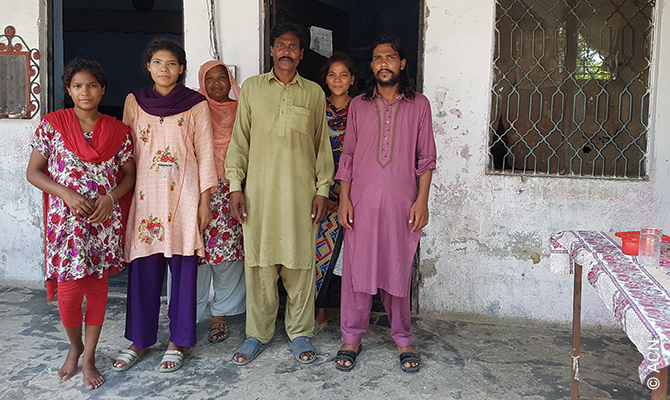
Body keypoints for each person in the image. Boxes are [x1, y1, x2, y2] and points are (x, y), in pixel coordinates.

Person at [225, 21, 334, 365]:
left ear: (301, 54)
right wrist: (234, 187)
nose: (286, 51)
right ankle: (257, 334)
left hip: (301, 197)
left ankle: (300, 332)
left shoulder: (314, 93)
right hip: (258, 195)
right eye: (280, 45)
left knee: (301, 265)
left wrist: (322, 190)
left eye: (293, 46)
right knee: (259, 265)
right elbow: (239, 142)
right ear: (271, 51)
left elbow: (322, 148)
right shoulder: (253, 89)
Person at [26, 58, 136, 390]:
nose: (84, 91)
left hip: (103, 220)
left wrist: (111, 199)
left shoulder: (119, 131)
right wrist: (66, 195)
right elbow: (34, 172)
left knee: (97, 291)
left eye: (91, 85)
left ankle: (89, 357)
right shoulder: (52, 125)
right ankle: (74, 346)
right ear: (67, 90)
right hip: (66, 222)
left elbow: (130, 175)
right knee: (70, 294)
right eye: (77, 86)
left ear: (103, 89)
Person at [112, 38, 218, 373]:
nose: (164, 69)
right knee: (144, 271)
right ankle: (140, 340)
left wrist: (204, 202)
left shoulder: (196, 104)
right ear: (148, 66)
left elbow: (206, 154)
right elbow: (125, 151)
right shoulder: (135, 101)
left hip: (183, 198)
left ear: (182, 68)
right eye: (157, 62)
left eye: (171, 63)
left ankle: (178, 340)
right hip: (144, 199)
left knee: (184, 273)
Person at [334, 34, 437, 373]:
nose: (383, 63)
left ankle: (403, 337)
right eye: (377, 58)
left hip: (401, 204)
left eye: (389, 58)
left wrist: (421, 201)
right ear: (372, 65)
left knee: (397, 269)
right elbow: (347, 156)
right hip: (361, 204)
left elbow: (426, 158)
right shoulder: (360, 105)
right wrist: (345, 200)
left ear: (401, 63)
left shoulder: (418, 104)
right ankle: (352, 336)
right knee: (356, 271)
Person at [195, 60, 246, 342]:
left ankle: (220, 316)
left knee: (228, 256)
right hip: (198, 190)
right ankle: (190, 315)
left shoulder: (241, 109)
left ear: (230, 81)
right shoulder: (193, 109)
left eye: (222, 78)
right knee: (197, 256)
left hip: (232, 190)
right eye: (209, 79)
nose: (216, 84)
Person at [314, 52, 356, 333]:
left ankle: (354, 316)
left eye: (343, 74)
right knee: (318, 253)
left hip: (352, 191)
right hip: (321, 189)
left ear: (353, 79)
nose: (337, 80)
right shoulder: (318, 106)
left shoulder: (363, 108)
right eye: (332, 74)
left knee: (352, 255)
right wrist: (322, 191)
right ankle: (319, 311)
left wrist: (344, 195)